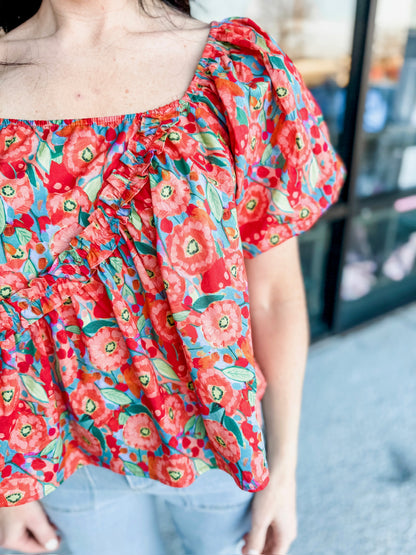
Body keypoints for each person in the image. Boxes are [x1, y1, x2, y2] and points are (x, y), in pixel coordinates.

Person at [0, 1, 346, 554]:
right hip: (68, 459)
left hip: (217, 450)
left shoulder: (238, 73)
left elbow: (276, 295)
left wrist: (283, 468)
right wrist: (10, 493)